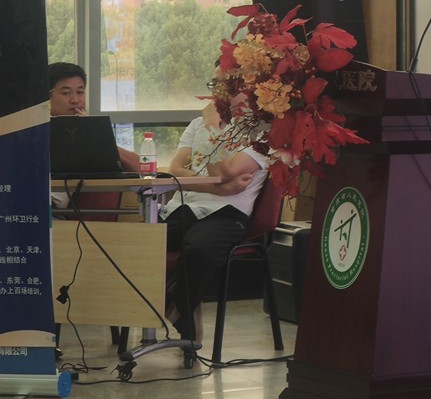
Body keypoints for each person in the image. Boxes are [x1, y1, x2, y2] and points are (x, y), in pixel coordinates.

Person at [162, 98, 268, 343]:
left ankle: (180, 306)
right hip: (184, 206)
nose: (220, 94)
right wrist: (219, 188)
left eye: (230, 86)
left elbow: (224, 171)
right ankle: (181, 304)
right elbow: (175, 170)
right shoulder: (196, 124)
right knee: (137, 242)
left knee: (199, 250)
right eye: (216, 85)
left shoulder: (262, 132)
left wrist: (212, 128)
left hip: (228, 212)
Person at [47, 61, 141, 173]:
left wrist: (95, 133)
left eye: (80, 92)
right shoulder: (37, 131)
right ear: (47, 96)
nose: (75, 100)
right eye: (66, 93)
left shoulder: (92, 129)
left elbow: (141, 168)